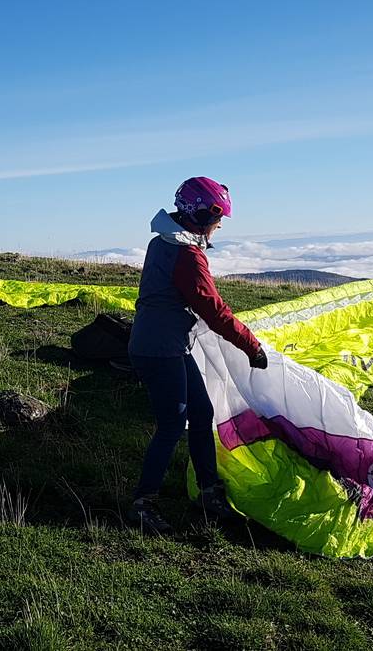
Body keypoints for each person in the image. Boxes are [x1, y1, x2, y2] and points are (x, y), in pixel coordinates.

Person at [126, 176, 268, 534]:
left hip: (165, 344)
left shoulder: (163, 241)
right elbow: (214, 311)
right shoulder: (186, 255)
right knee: (173, 424)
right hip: (160, 351)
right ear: (203, 216)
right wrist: (252, 346)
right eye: (218, 221)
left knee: (202, 412)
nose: (219, 228)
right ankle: (143, 504)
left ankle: (208, 491)